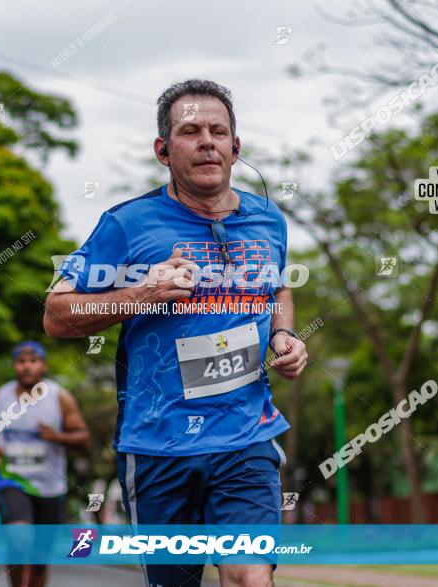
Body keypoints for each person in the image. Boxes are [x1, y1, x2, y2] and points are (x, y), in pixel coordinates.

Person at [43, 79, 308, 587]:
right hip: (159, 444)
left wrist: (284, 336)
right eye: (190, 131)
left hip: (246, 436)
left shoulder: (268, 219)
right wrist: (142, 294)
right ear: (164, 151)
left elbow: (278, 287)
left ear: (236, 147)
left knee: (250, 577)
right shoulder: (126, 225)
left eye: (218, 130)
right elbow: (56, 313)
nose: (207, 141)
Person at [0, 341, 90, 587]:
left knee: (39, 557)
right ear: (14, 365)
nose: (27, 366)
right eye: (21, 361)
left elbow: (82, 437)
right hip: (10, 479)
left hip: (50, 486)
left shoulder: (60, 398)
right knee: (19, 539)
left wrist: (57, 437)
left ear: (43, 365)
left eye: (33, 361)